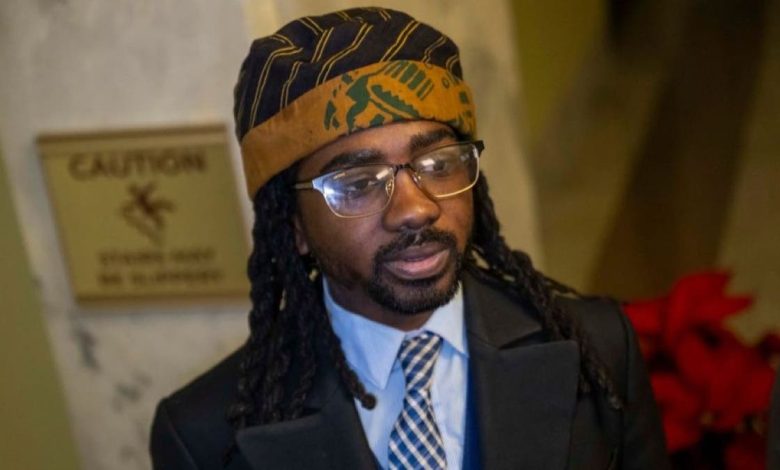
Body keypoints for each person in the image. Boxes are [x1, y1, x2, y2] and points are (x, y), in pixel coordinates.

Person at [150, 7, 670, 470]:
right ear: (295, 227)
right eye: (356, 184)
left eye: (439, 164)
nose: (417, 208)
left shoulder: (595, 347)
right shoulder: (205, 436)